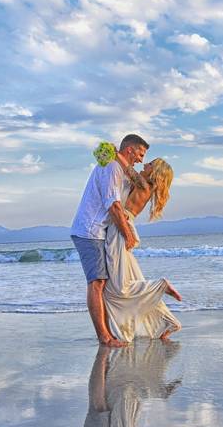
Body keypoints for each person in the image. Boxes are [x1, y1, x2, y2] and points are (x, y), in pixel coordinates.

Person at [70, 134, 148, 347]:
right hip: (89, 231)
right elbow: (112, 205)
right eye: (140, 154)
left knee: (103, 283)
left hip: (98, 232)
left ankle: (110, 332)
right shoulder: (112, 167)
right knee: (96, 283)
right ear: (130, 149)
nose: (141, 160)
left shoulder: (119, 167)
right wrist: (128, 234)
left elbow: (138, 186)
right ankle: (104, 336)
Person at [103, 158, 183, 342]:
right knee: (134, 281)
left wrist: (115, 153)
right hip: (123, 226)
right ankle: (169, 322)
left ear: (154, 172)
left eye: (149, 164)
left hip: (120, 228)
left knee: (118, 288)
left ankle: (161, 285)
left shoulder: (143, 183)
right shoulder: (144, 185)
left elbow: (127, 168)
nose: (144, 164)